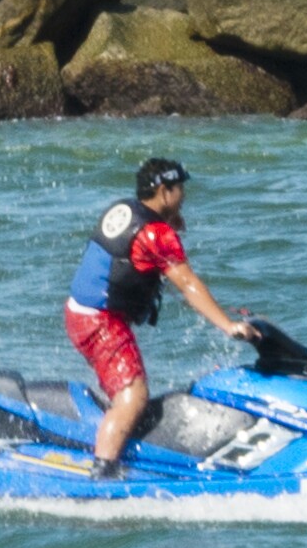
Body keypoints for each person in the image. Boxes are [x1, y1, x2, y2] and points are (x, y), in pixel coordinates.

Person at [63, 156, 263, 475]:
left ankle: (118, 441)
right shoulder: (156, 234)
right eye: (179, 189)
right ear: (164, 191)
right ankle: (103, 473)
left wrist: (169, 222)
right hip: (100, 322)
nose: (183, 196)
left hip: (79, 312)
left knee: (126, 388)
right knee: (133, 396)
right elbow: (187, 284)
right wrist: (228, 326)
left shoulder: (125, 209)